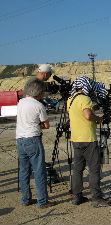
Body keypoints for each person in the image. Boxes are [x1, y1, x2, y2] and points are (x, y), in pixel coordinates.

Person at [67, 76, 110, 208]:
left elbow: (83, 111)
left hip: (76, 139)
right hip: (88, 139)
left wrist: (95, 108)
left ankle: (76, 196)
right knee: (94, 169)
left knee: (78, 169)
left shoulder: (70, 99)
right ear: (86, 86)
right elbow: (87, 115)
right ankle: (96, 198)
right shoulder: (85, 99)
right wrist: (99, 119)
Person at [16, 79, 55, 209]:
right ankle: (42, 201)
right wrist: (38, 125)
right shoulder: (38, 105)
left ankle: (26, 198)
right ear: (39, 92)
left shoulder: (20, 102)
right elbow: (46, 125)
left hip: (20, 139)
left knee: (24, 171)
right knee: (39, 171)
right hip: (32, 139)